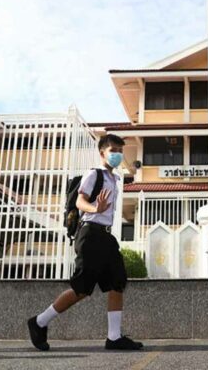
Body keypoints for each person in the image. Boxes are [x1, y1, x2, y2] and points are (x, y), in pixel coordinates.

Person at [27, 134, 142, 351]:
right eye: (112, 150)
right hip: (90, 234)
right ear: (102, 153)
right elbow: (80, 201)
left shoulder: (115, 179)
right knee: (82, 288)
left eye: (120, 150)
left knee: (117, 282)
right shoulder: (94, 174)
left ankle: (114, 337)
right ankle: (39, 321)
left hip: (106, 236)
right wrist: (95, 208)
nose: (117, 154)